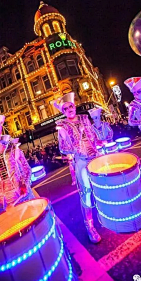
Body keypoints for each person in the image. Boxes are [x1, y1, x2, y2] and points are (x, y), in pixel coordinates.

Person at [54, 92, 101, 243]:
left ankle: (106, 214)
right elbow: (63, 148)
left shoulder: (84, 118)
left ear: (75, 106)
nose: (69, 109)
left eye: (71, 106)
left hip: (95, 156)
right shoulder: (62, 126)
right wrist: (75, 146)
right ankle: (90, 226)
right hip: (81, 160)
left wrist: (98, 140)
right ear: (63, 112)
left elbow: (93, 134)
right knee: (86, 192)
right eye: (65, 108)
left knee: (102, 186)